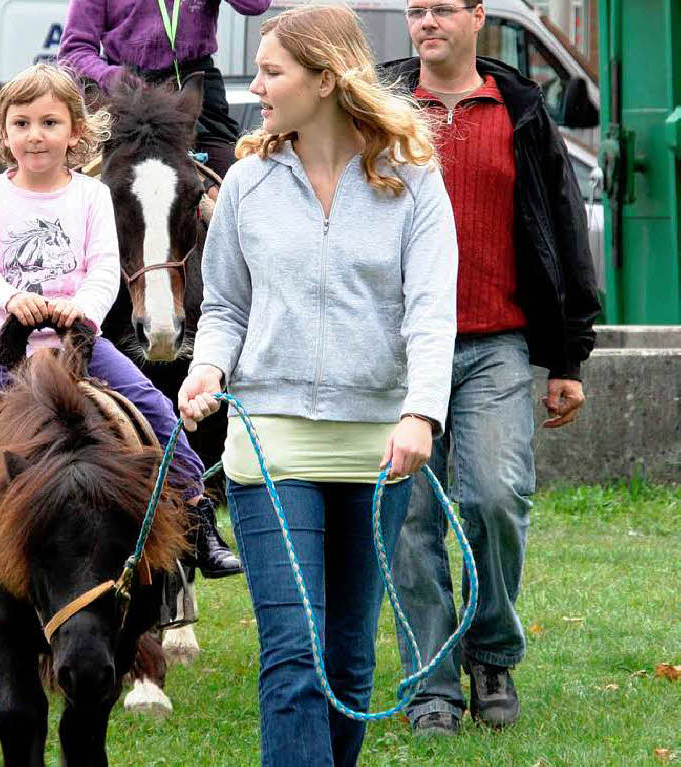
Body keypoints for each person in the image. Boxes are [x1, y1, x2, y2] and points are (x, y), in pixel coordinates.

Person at [177, 6, 458, 764]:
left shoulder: (415, 183)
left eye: (273, 72)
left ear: (327, 79)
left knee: (347, 662)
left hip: (379, 449)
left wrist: (420, 413)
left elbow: (431, 313)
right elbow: (227, 306)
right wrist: (209, 367)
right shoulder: (246, 184)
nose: (256, 86)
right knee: (294, 657)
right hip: (272, 444)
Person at [0, 64, 240, 633]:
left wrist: (81, 310)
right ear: (4, 132)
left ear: (76, 132)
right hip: (7, 347)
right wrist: (14, 298)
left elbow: (104, 269)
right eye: (22, 122)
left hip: (79, 341)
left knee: (159, 412)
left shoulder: (90, 195)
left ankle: (199, 518)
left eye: (49, 122)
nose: (35, 134)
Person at [382, 0, 601, 737]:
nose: (427, 23)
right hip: (400, 350)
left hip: (495, 341)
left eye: (443, 9)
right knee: (408, 518)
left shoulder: (520, 108)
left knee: (496, 495)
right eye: (416, 11)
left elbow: (562, 229)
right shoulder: (380, 107)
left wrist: (566, 354)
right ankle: (431, 685)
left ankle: (493, 653)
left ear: (479, 17)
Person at [57, 0, 271, 179]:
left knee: (235, 176)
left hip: (194, 89)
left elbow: (256, 5)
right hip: (127, 95)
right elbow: (74, 51)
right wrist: (110, 76)